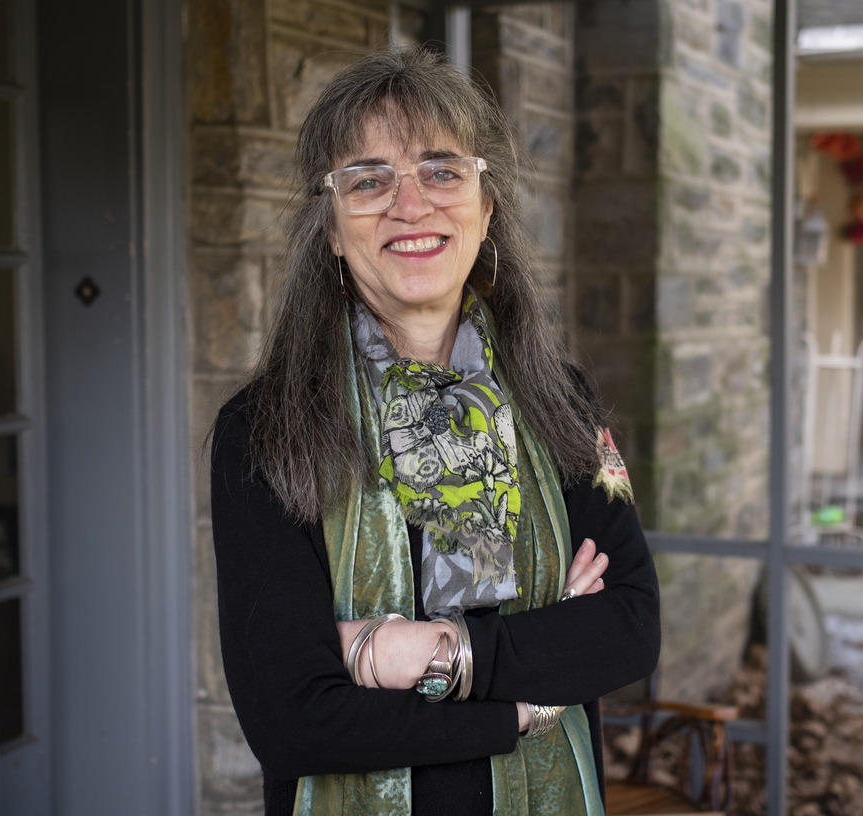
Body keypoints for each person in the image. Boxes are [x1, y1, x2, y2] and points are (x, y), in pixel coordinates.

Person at [209, 45, 661, 816]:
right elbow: (293, 720)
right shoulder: (264, 430)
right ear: (330, 230)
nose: (409, 204)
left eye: (442, 171)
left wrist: (422, 655)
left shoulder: (562, 405)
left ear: (485, 210)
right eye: (368, 180)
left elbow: (626, 630)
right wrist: (522, 707)